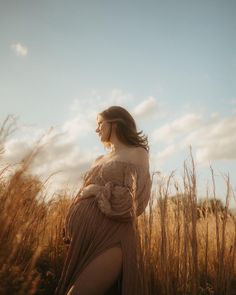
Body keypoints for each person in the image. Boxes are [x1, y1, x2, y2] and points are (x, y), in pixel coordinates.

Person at [55, 106, 152, 295]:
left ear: (115, 123)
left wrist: (96, 190)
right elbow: (83, 194)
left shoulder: (137, 153)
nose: (96, 129)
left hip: (113, 237)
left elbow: (135, 201)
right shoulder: (99, 159)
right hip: (83, 241)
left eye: (100, 124)